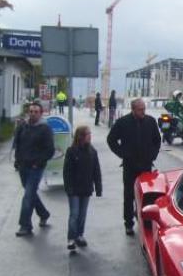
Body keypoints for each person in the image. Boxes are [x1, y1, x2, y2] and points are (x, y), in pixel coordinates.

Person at [107, 98, 161, 235]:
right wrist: (122, 154)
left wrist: (152, 155)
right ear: (133, 110)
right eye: (140, 109)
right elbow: (111, 139)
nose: (143, 112)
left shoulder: (150, 121)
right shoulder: (123, 122)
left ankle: (146, 220)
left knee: (147, 195)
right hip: (130, 166)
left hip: (146, 165)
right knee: (129, 195)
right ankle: (128, 223)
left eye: (144, 109)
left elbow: (157, 140)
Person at [13, 102, 55, 237]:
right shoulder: (22, 127)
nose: (33, 114)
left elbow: (50, 150)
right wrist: (17, 160)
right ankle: (44, 213)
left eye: (36, 111)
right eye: (31, 111)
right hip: (23, 166)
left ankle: (25, 225)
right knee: (30, 194)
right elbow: (17, 144)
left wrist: (38, 162)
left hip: (36, 168)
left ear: (41, 113)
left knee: (27, 196)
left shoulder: (45, 129)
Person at [63, 125, 102, 251]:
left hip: (86, 188)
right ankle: (71, 238)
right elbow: (67, 172)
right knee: (74, 213)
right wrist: (68, 187)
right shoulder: (71, 151)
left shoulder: (92, 152)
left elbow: (96, 171)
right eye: (88, 134)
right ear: (81, 136)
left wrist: (98, 187)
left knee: (82, 214)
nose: (90, 136)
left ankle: (79, 235)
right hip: (74, 188)